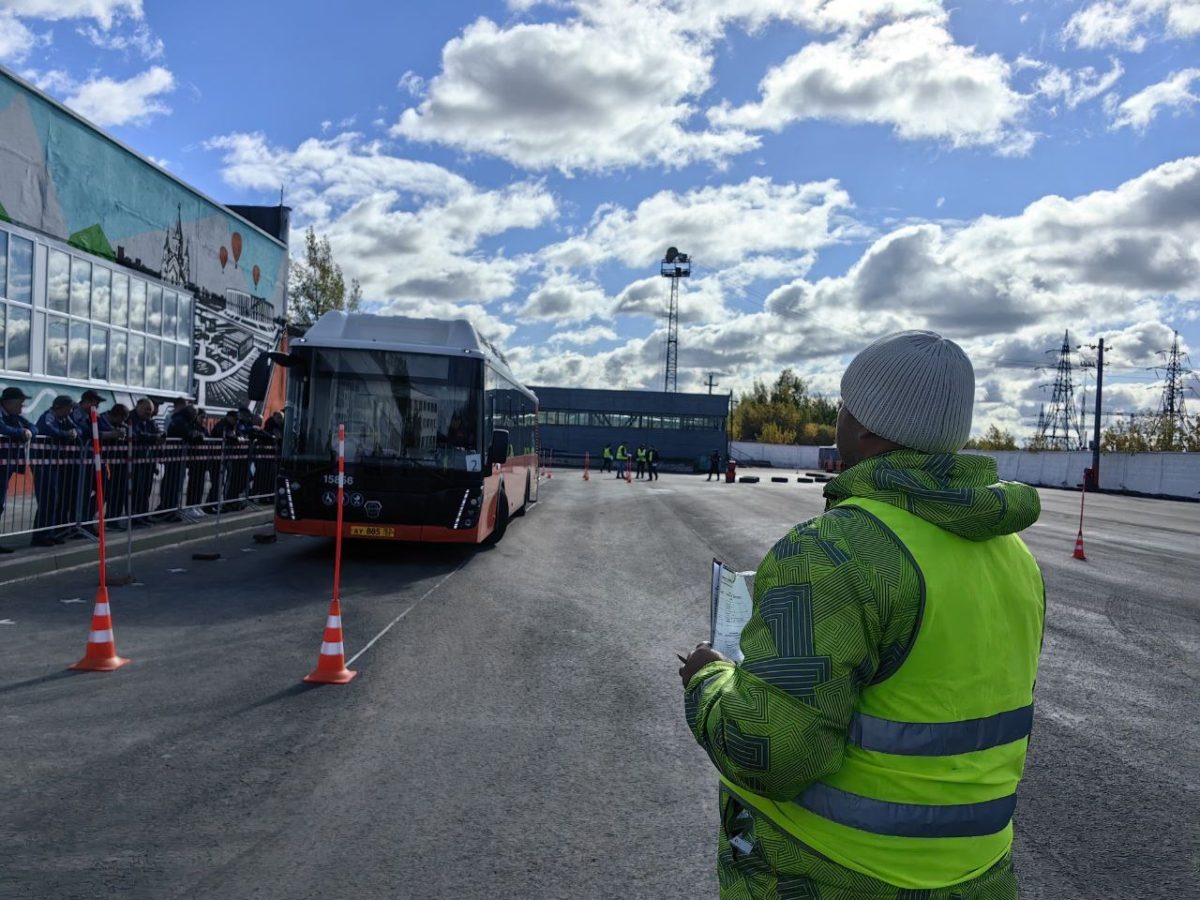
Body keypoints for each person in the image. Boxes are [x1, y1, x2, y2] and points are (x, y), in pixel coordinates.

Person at [678, 331, 1045, 900]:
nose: (838, 417)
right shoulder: (1013, 556)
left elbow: (773, 754)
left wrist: (707, 679)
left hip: (835, 871)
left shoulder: (833, 551)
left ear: (869, 427)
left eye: (845, 405)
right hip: (979, 874)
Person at [32, 395, 80, 545]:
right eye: (69, 408)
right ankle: (40, 536)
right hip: (43, 464)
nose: (70, 411)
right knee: (47, 499)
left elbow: (78, 429)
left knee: (54, 498)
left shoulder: (65, 419)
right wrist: (66, 435)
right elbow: (47, 429)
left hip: (55, 464)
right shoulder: (49, 416)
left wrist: (74, 433)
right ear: (60, 406)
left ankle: (50, 532)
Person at [0, 386, 35, 554]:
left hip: (6, 466)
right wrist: (21, 432)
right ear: (8, 402)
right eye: (19, 403)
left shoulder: (15, 417)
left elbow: (34, 428)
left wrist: (27, 431)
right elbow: (3, 429)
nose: (22, 407)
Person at [128, 398, 162, 527]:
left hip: (148, 462)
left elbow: (158, 432)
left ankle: (143, 514)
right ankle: (135, 517)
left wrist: (158, 437)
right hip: (134, 462)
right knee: (137, 491)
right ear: (139, 406)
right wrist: (154, 438)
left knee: (146, 490)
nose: (149, 412)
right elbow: (136, 434)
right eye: (147, 409)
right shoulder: (130, 418)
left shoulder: (149, 421)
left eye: (151, 410)